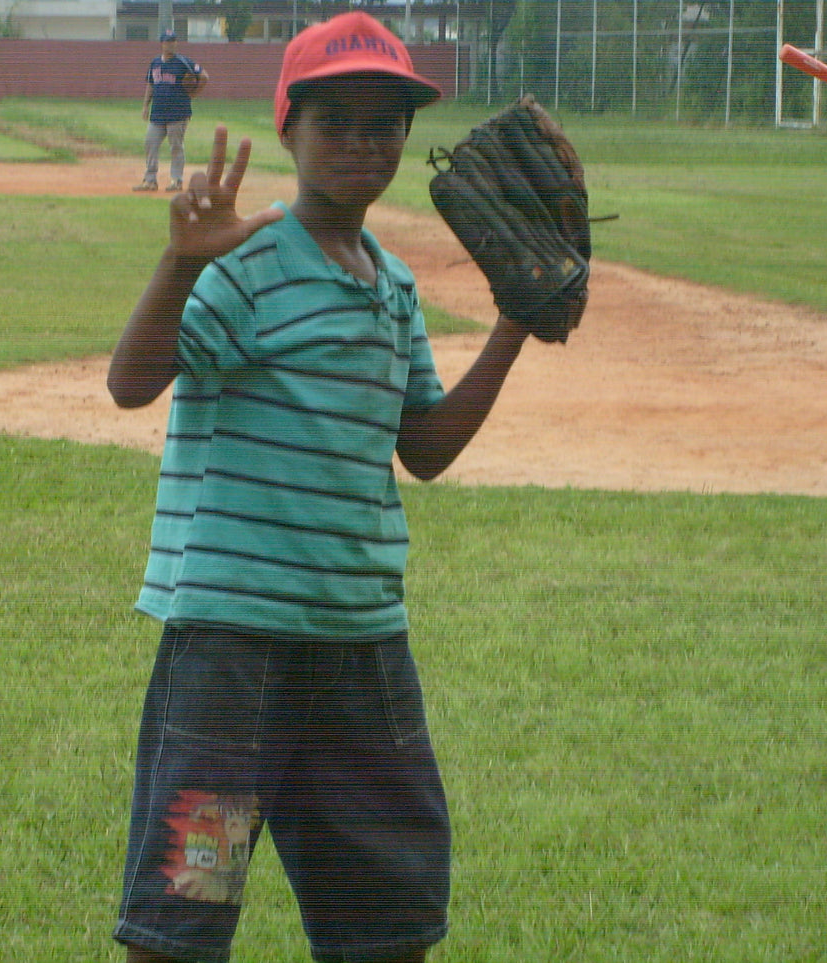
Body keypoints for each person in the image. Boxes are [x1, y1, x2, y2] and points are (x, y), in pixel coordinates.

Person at [107, 11, 534, 963]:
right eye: (333, 119)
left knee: (388, 916)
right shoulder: (243, 264)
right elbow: (131, 382)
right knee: (184, 909)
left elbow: (421, 447)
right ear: (288, 127)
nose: (360, 141)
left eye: (383, 122)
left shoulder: (392, 284)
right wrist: (180, 263)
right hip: (232, 654)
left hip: (361, 653)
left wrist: (512, 325)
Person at [136, 29, 208, 193]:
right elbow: (150, 84)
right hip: (157, 113)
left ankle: (177, 181)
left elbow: (204, 76)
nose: (171, 44)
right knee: (150, 144)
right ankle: (150, 181)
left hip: (178, 113)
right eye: (168, 41)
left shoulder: (184, 62)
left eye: (174, 40)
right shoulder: (155, 63)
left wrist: (194, 94)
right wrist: (145, 106)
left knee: (176, 147)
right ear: (162, 44)